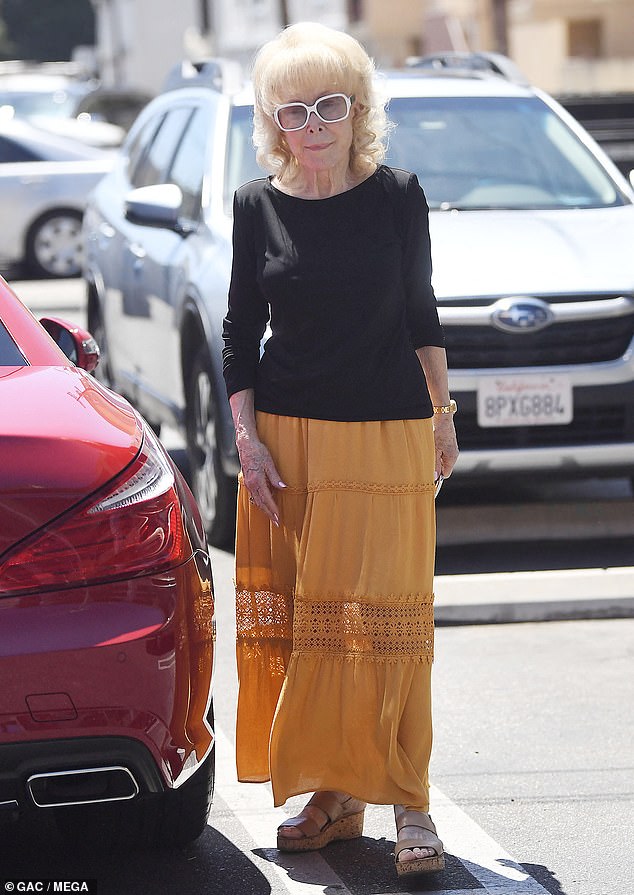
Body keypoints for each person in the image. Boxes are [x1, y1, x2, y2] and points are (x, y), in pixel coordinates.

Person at [222, 21, 459, 879]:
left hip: (388, 430)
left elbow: (421, 308)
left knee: (388, 624)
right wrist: (245, 439)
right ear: (272, 119)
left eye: (330, 104)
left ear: (357, 110)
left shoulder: (398, 193)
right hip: (289, 438)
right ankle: (332, 794)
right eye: (295, 109)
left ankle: (411, 800)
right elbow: (240, 328)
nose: (314, 122)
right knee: (308, 623)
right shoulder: (257, 205)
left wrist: (442, 412)